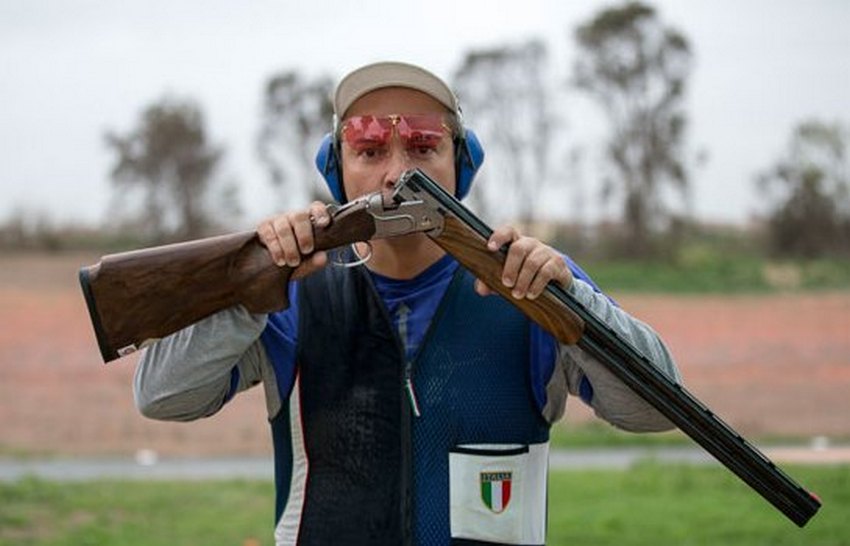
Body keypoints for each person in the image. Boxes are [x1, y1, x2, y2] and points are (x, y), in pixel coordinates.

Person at [134, 61, 682, 546]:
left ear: (460, 165)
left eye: (423, 147)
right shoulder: (288, 294)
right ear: (338, 172)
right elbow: (160, 395)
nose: (397, 174)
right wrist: (246, 293)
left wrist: (574, 304)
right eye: (369, 151)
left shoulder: (530, 283)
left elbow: (659, 409)